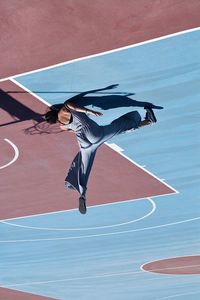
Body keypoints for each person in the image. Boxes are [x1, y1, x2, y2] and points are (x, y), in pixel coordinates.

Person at [45, 85, 157, 214]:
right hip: (94, 134)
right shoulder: (64, 108)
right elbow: (74, 106)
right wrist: (89, 112)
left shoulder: (62, 127)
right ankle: (148, 121)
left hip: (84, 142)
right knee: (118, 127)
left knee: (84, 164)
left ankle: (82, 193)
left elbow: (73, 130)